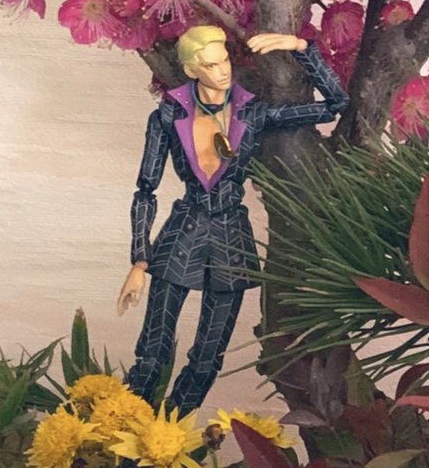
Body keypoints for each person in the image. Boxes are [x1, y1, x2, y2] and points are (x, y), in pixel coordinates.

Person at [117, 26, 349, 415]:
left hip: (231, 238)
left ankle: (173, 430)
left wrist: (301, 47)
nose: (223, 70)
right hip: (182, 233)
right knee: (153, 349)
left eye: (224, 60)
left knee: (207, 357)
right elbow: (146, 189)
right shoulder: (168, 116)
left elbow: (335, 104)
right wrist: (140, 261)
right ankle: (127, 428)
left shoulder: (253, 113)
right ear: (191, 70)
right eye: (211, 65)